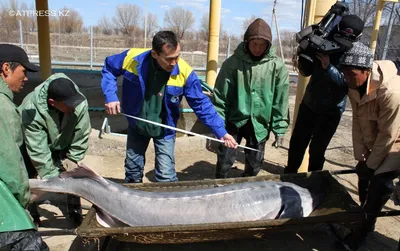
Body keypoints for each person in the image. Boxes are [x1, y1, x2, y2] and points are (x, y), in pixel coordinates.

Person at [101, 30, 237, 183]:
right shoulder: (132, 58)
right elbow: (109, 68)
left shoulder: (185, 72)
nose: (174, 62)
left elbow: (201, 104)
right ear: (154, 54)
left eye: (177, 56)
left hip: (165, 128)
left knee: (165, 176)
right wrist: (111, 96)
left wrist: (221, 132)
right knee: (132, 172)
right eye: (169, 59)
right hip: (137, 125)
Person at [285, 15, 365, 173]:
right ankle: (289, 176)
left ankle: (314, 181)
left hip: (332, 110)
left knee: (317, 151)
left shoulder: (356, 53)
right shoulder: (322, 41)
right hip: (310, 104)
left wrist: (328, 67)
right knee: (297, 145)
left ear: (357, 38)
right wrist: (303, 54)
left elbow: (347, 84)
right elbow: (306, 72)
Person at [339, 42, 400, 250]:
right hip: (379, 139)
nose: (346, 79)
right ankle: (367, 220)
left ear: (366, 71)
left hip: (396, 141)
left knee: (379, 183)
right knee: (363, 177)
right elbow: (358, 122)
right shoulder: (354, 86)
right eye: (344, 73)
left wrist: (372, 165)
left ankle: (361, 232)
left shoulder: (391, 92)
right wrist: (361, 157)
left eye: (351, 74)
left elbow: (388, 134)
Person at [213, 18, 290, 178]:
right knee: (226, 157)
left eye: (262, 45)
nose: (257, 48)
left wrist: (279, 129)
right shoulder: (232, 63)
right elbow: (221, 96)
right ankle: (219, 184)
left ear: (268, 45)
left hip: (260, 122)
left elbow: (280, 100)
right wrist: (218, 125)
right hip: (235, 118)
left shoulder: (277, 66)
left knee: (255, 162)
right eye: (254, 44)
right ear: (247, 42)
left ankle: (247, 184)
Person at [19, 73, 91, 226]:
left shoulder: (77, 100)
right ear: (52, 102)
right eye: (68, 104)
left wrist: (73, 158)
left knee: (73, 175)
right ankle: (31, 215)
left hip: (62, 140)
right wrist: (53, 179)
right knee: (28, 176)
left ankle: (74, 212)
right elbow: (38, 149)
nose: (73, 106)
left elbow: (82, 131)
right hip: (36, 143)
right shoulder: (30, 109)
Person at [0, 44, 49, 250]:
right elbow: (9, 162)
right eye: (24, 71)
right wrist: (24, 199)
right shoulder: (3, 107)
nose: (26, 78)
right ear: (6, 69)